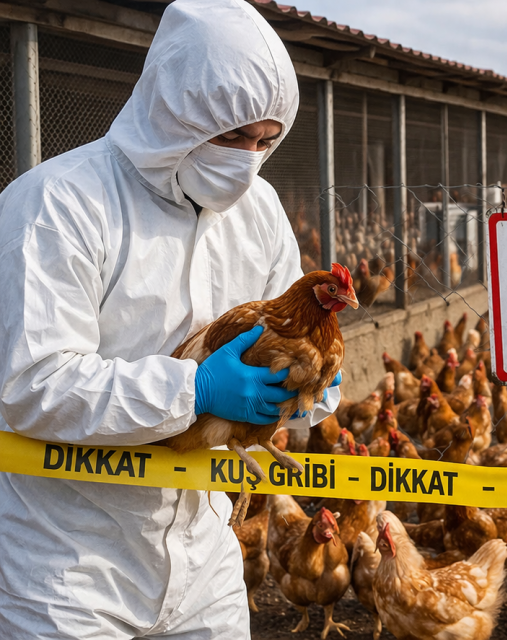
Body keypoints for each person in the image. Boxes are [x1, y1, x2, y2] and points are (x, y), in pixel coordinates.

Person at [0, 0, 339, 637]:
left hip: (205, 554)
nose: (248, 159)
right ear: (175, 114)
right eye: (232, 136)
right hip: (68, 563)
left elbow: (289, 340)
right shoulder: (61, 204)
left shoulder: (260, 211)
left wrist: (304, 392)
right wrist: (196, 391)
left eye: (265, 142)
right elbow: (34, 386)